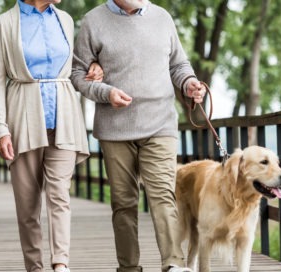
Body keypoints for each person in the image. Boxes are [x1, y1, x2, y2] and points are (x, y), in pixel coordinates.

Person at [70, 1, 206, 272]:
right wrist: (105, 93)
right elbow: (77, 75)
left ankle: (174, 265)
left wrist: (189, 82)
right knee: (123, 202)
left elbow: (178, 64)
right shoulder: (93, 21)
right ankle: (129, 268)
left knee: (163, 195)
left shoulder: (162, 17)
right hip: (114, 128)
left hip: (160, 124)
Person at [0, 0, 102, 271]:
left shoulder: (64, 19)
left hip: (64, 117)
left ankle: (61, 264)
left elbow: (74, 66)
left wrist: (94, 65)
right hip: (23, 118)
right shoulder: (4, 24)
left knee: (60, 194)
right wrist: (0, 128)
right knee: (27, 205)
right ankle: (35, 267)